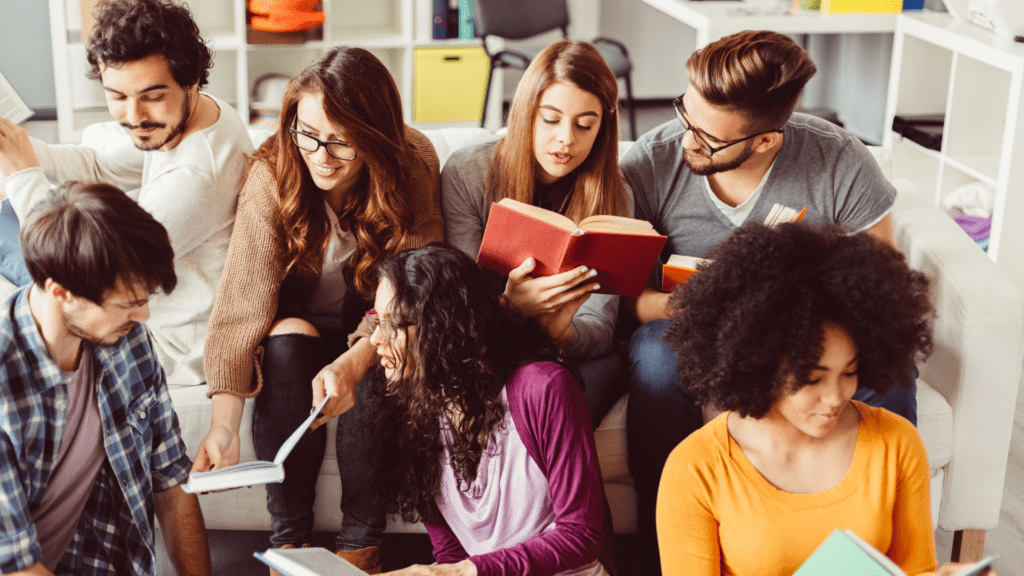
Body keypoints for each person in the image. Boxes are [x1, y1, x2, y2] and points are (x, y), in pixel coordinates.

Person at [618, 30, 916, 574]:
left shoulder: (838, 161)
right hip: (685, 326)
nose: (687, 142)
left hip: (810, 331)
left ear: (765, 141)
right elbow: (626, 301)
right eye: (687, 113)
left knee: (890, 372)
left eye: (709, 140)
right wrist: (709, 306)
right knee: (655, 360)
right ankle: (662, 555)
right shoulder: (653, 161)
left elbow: (884, 294)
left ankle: (878, 559)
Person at [191, 47, 444, 574]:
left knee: (377, 359)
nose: (321, 155)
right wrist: (224, 423)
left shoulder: (413, 162)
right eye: (307, 134)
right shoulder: (273, 170)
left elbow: (414, 291)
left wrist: (355, 361)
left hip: (377, 326)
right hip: (297, 330)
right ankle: (289, 542)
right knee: (286, 339)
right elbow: (243, 301)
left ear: (376, 137)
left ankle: (360, 546)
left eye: (340, 141)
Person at [655, 221, 993, 576]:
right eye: (812, 379)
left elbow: (916, 568)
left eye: (850, 372)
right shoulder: (696, 468)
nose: (835, 397)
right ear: (758, 361)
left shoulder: (897, 443)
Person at [0, 0, 253, 386]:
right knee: (7, 214)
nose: (134, 117)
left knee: (7, 222)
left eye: (152, 96)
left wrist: (22, 175)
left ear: (192, 81)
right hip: (128, 287)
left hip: (160, 343)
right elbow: (100, 163)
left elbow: (89, 271)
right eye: (117, 97)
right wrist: (15, 146)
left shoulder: (197, 175)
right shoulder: (198, 114)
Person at [0, 181, 210, 576]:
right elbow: (13, 566)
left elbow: (171, 481)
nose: (144, 316)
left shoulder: (125, 338)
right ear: (61, 292)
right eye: (129, 304)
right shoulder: (5, 384)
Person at [365, 243, 606, 576]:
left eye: (393, 324)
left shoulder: (544, 387)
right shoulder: (412, 415)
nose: (376, 339)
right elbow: (450, 552)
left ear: (442, 327)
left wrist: (461, 573)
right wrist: (452, 571)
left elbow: (581, 536)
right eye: (376, 320)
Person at [441, 40, 632, 428]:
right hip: (487, 345)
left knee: (593, 375)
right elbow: (457, 306)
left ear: (603, 126)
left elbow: (601, 327)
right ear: (526, 113)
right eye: (550, 119)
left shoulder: (615, 195)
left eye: (585, 125)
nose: (566, 139)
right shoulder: (468, 173)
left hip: (567, 353)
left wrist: (558, 331)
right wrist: (511, 309)